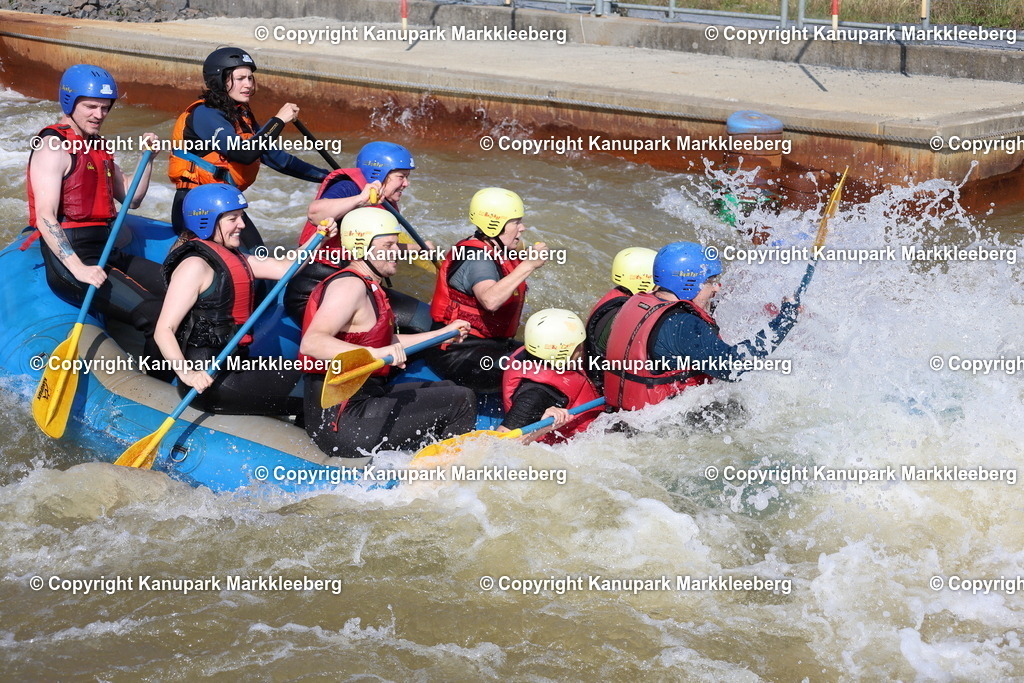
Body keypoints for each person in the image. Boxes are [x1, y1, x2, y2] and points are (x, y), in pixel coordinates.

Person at [298, 207, 476, 458]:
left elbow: (387, 341)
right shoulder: (349, 286)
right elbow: (312, 343)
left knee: (446, 387)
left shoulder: (369, 285)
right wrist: (374, 353)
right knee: (461, 400)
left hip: (361, 402)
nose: (396, 252)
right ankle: (443, 479)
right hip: (342, 421)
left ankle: (419, 459)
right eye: (388, 245)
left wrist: (443, 334)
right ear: (361, 247)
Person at [25, 64, 168, 373]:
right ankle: (157, 384)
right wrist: (79, 268)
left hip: (107, 252)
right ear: (69, 102)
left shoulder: (98, 146)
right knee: (156, 314)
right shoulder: (53, 147)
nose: (99, 114)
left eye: (105, 108)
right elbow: (46, 217)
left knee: (179, 287)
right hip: (72, 260)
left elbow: (133, 197)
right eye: (90, 106)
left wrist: (149, 159)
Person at [156, 184, 336, 415]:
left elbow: (284, 268)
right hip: (210, 380)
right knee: (319, 387)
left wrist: (318, 238)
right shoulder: (194, 266)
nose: (242, 225)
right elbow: (164, 328)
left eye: (241, 217)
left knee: (317, 373)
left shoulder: (233, 257)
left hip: (236, 365)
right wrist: (187, 374)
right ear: (207, 221)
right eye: (233, 219)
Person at [603, 241, 800, 411]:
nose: (717, 287)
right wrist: (785, 320)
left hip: (628, 413)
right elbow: (735, 367)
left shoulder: (635, 302)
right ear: (688, 284)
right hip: (662, 426)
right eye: (710, 281)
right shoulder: (683, 324)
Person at [168, 46, 329, 248]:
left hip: (224, 203)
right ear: (219, 81)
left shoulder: (240, 115)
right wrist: (278, 121)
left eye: (250, 78)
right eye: (240, 78)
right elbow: (243, 153)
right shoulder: (205, 114)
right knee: (248, 260)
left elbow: (276, 158)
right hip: (197, 206)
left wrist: (329, 176)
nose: (248, 85)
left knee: (258, 253)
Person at [284, 141, 427, 325]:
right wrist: (360, 200)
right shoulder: (349, 188)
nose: (406, 184)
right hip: (315, 291)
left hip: (354, 287)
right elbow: (315, 212)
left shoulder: (385, 200)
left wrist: (419, 248)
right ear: (379, 174)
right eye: (401, 177)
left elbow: (376, 248)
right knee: (422, 323)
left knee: (426, 317)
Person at [426, 188, 547, 393]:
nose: (522, 227)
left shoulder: (498, 250)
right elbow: (490, 300)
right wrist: (528, 265)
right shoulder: (477, 258)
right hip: (459, 353)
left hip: (489, 345)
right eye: (516, 222)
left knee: (555, 358)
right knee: (539, 374)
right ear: (495, 226)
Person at [500, 309, 604, 445]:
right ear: (567, 351)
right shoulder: (535, 395)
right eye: (579, 346)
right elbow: (501, 443)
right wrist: (544, 428)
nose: (582, 349)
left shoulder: (531, 354)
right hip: (572, 446)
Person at [584, 246, 656, 390]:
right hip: (602, 386)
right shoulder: (624, 313)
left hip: (593, 373)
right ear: (644, 280)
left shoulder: (617, 298)